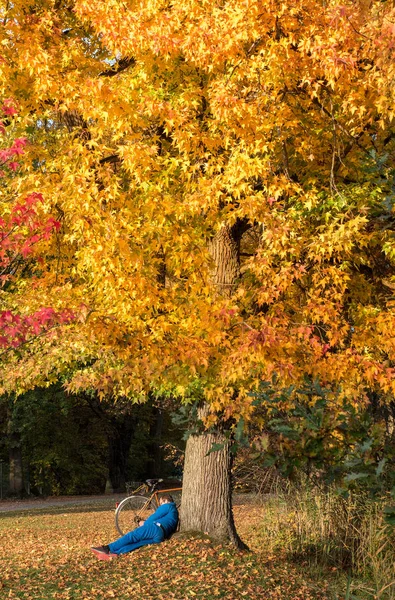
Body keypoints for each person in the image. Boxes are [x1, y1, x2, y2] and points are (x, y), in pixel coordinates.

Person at [91, 494, 179, 560]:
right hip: (160, 536)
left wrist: (143, 523)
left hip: (156, 529)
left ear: (166, 501)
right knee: (137, 543)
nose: (160, 505)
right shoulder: (174, 512)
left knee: (132, 536)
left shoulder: (168, 506)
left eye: (161, 503)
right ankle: (114, 553)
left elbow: (154, 517)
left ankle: (108, 548)